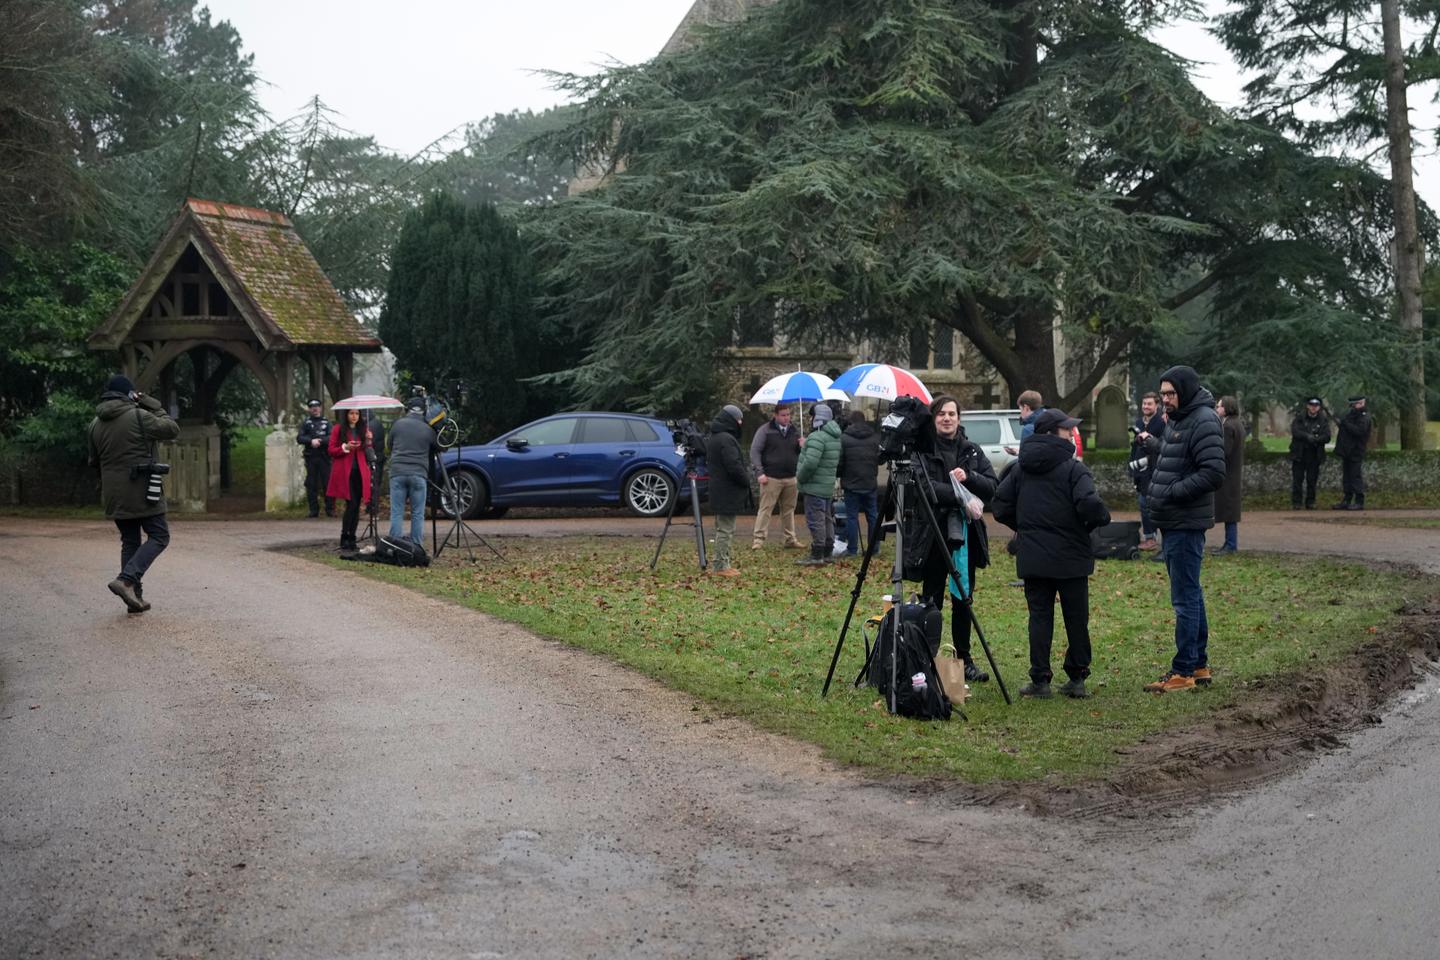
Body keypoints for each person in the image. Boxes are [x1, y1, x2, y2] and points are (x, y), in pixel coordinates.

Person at [991, 408, 1111, 698]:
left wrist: (1025, 527)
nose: (1071, 433)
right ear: (1050, 433)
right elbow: (1089, 504)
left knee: (1040, 617)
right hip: (1072, 555)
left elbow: (1000, 505)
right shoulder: (1074, 470)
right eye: (1066, 429)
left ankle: (1040, 679)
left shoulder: (1020, 469)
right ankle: (1077, 677)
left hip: (1034, 556)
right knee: (1076, 618)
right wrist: (1096, 521)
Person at [1143, 365, 1226, 693]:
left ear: (1185, 391)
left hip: (1185, 521)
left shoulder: (1203, 420)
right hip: (1173, 519)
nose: (1165, 399)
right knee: (1190, 593)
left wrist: (1173, 492)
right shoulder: (1180, 419)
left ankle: (1183, 671)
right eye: (1163, 393)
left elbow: (1213, 472)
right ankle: (1198, 664)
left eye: (1171, 393)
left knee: (1184, 597)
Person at [915, 394, 998, 683]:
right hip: (933, 536)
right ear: (933, 418)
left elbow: (992, 486)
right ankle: (927, 659)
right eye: (941, 414)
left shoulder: (972, 451)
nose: (947, 418)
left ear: (959, 418)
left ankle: (964, 660)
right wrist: (961, 497)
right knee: (932, 601)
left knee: (963, 600)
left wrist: (969, 478)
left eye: (951, 413)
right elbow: (924, 488)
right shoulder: (923, 451)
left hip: (965, 536)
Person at [87, 373, 181, 613]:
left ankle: (134, 598)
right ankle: (127, 580)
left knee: (130, 540)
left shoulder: (95, 424)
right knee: (159, 536)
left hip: (113, 494)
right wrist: (153, 404)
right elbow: (172, 428)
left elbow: (93, 462)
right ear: (129, 395)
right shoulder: (139, 416)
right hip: (142, 489)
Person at [704, 404, 752, 577]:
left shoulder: (715, 437)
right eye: (738, 420)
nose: (740, 423)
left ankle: (723, 563)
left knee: (722, 528)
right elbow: (734, 466)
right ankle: (721, 566)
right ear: (731, 420)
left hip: (719, 489)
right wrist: (746, 480)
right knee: (725, 529)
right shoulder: (726, 439)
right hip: (727, 491)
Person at [794, 402, 843, 565]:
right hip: (827, 486)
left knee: (816, 520)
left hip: (814, 486)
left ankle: (817, 554)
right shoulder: (835, 437)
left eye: (812, 416)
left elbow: (810, 463)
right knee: (827, 519)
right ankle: (828, 551)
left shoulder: (817, 437)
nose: (810, 419)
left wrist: (800, 477)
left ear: (818, 418)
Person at [749, 405, 802, 550]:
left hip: (791, 476)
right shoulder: (765, 430)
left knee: (789, 510)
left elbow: (799, 452)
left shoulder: (794, 431)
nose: (786, 418)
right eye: (783, 415)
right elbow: (755, 451)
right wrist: (759, 472)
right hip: (771, 477)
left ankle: (790, 539)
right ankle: (758, 539)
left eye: (788, 415)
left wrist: (802, 446)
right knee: (766, 509)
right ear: (776, 415)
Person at [386, 397, 437, 545]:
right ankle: (416, 547)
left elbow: (389, 445)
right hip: (418, 473)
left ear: (408, 409)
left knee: (397, 512)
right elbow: (441, 447)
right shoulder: (428, 429)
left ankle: (395, 546)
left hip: (397, 472)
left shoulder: (397, 424)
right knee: (417, 514)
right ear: (424, 410)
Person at [327, 408, 373, 550]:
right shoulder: (338, 429)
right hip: (345, 472)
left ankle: (352, 537)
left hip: (360, 471)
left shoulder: (363, 429)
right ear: (346, 414)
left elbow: (368, 450)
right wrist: (345, 447)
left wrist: (368, 440)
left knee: (356, 505)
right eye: (351, 413)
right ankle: (345, 536)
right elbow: (331, 450)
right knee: (351, 504)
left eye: (357, 414)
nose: (354, 416)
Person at [837, 411, 880, 556]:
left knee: (852, 517)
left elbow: (840, 462)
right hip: (870, 482)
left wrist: (839, 474)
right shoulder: (874, 437)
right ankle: (874, 548)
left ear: (850, 422)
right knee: (872, 516)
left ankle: (852, 549)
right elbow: (879, 459)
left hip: (851, 483)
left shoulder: (844, 438)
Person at [1130, 391, 1165, 549]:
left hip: (1155, 469)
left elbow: (1162, 446)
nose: (1146, 406)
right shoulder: (1138, 422)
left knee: (1148, 504)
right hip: (1140, 470)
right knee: (1143, 504)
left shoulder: (1161, 423)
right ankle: (1150, 537)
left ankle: (1152, 538)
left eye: (1149, 404)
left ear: (1157, 405)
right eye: (1144, 403)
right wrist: (1132, 465)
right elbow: (1135, 447)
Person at [1213, 396, 1245, 554]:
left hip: (1228, 474)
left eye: (1219, 406)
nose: (1217, 408)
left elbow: (1224, 451)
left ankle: (1230, 544)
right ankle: (1230, 543)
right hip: (1233, 473)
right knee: (1230, 510)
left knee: (1229, 511)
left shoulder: (1228, 426)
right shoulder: (1237, 423)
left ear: (1226, 408)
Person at [1289, 397, 1330, 510]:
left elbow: (1327, 436)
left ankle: (1311, 502)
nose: (1313, 407)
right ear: (1307, 406)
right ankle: (1296, 502)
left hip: (1314, 454)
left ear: (1319, 407)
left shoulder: (1323, 420)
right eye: (1311, 405)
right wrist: (1307, 436)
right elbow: (1295, 431)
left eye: (1316, 405)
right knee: (1297, 479)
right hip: (1299, 453)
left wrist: (1316, 439)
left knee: (1312, 480)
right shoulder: (1300, 418)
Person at [1332, 396, 1372, 511]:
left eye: (1356, 404)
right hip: (1347, 450)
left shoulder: (1364, 417)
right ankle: (1347, 499)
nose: (1354, 406)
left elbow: (1359, 431)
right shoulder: (1352, 415)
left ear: (1362, 403)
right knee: (1347, 477)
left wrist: (1346, 424)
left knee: (1355, 476)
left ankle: (1359, 501)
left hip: (1356, 450)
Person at [297, 399, 335, 518]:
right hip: (311, 457)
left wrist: (320, 441)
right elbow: (299, 438)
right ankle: (313, 510)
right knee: (311, 484)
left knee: (327, 483)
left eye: (317, 406)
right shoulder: (306, 423)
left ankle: (330, 509)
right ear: (309, 409)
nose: (315, 409)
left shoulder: (327, 422)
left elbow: (332, 437)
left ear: (320, 408)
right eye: (312, 407)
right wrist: (310, 441)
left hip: (324, 457)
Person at [1003, 389, 1045, 456]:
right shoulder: (1050, 420)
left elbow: (1027, 458)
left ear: (1026, 408)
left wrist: (1022, 453)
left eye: (1020, 409)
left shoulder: (1028, 429)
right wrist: (1019, 452)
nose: (1020, 414)